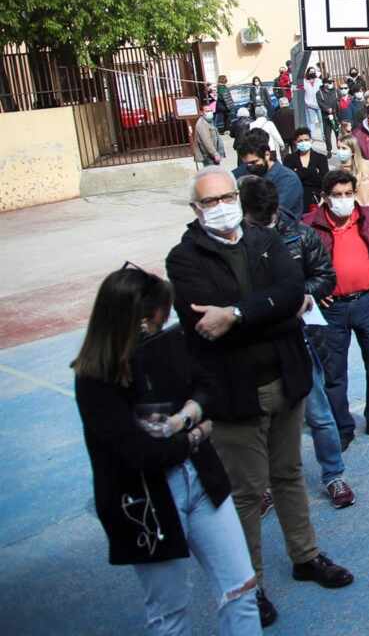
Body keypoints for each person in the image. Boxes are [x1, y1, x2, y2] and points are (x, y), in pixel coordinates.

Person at [165, 168, 353, 626]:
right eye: (210, 201)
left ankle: (305, 555)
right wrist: (265, 309)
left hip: (283, 380)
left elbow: (292, 293)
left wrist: (236, 312)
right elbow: (203, 324)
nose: (222, 206)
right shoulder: (184, 258)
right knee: (247, 492)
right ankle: (254, 585)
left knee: (287, 473)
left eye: (227, 197)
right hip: (234, 392)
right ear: (196, 209)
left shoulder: (263, 239)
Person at [74, 264, 263, 634]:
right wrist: (194, 433)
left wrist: (185, 417)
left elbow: (207, 386)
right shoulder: (95, 380)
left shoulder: (166, 345)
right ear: (127, 321)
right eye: (150, 323)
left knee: (241, 588)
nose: (156, 331)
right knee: (169, 611)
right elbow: (141, 453)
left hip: (202, 482)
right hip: (146, 502)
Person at [238, 178, 353, 510]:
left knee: (318, 413)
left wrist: (302, 294)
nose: (257, 224)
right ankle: (263, 486)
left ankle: (334, 474)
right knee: (260, 419)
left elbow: (325, 276)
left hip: (301, 334)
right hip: (259, 339)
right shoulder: (238, 242)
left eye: (263, 218)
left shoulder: (300, 234)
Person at [302, 170, 369, 450]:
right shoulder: (310, 225)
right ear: (324, 198)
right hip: (332, 308)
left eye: (348, 194)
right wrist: (311, 289)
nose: (344, 200)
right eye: (337, 195)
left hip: (367, 303)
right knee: (335, 373)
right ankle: (342, 427)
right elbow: (292, 264)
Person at [232, 130, 304, 224]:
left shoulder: (288, 179)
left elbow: (273, 213)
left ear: (267, 155)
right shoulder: (242, 173)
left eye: (254, 162)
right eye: (247, 164)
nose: (251, 167)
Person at [283, 126, 329, 209]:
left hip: (316, 199)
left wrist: (299, 172)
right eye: (300, 141)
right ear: (295, 142)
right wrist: (313, 172)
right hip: (296, 199)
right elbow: (288, 180)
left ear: (311, 140)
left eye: (306, 140)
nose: (304, 142)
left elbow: (325, 180)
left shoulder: (321, 158)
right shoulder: (289, 159)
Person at [333, 135, 369, 208]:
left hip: (367, 209)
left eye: (344, 148)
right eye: (338, 148)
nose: (340, 151)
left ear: (353, 151)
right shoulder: (337, 171)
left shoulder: (368, 165)